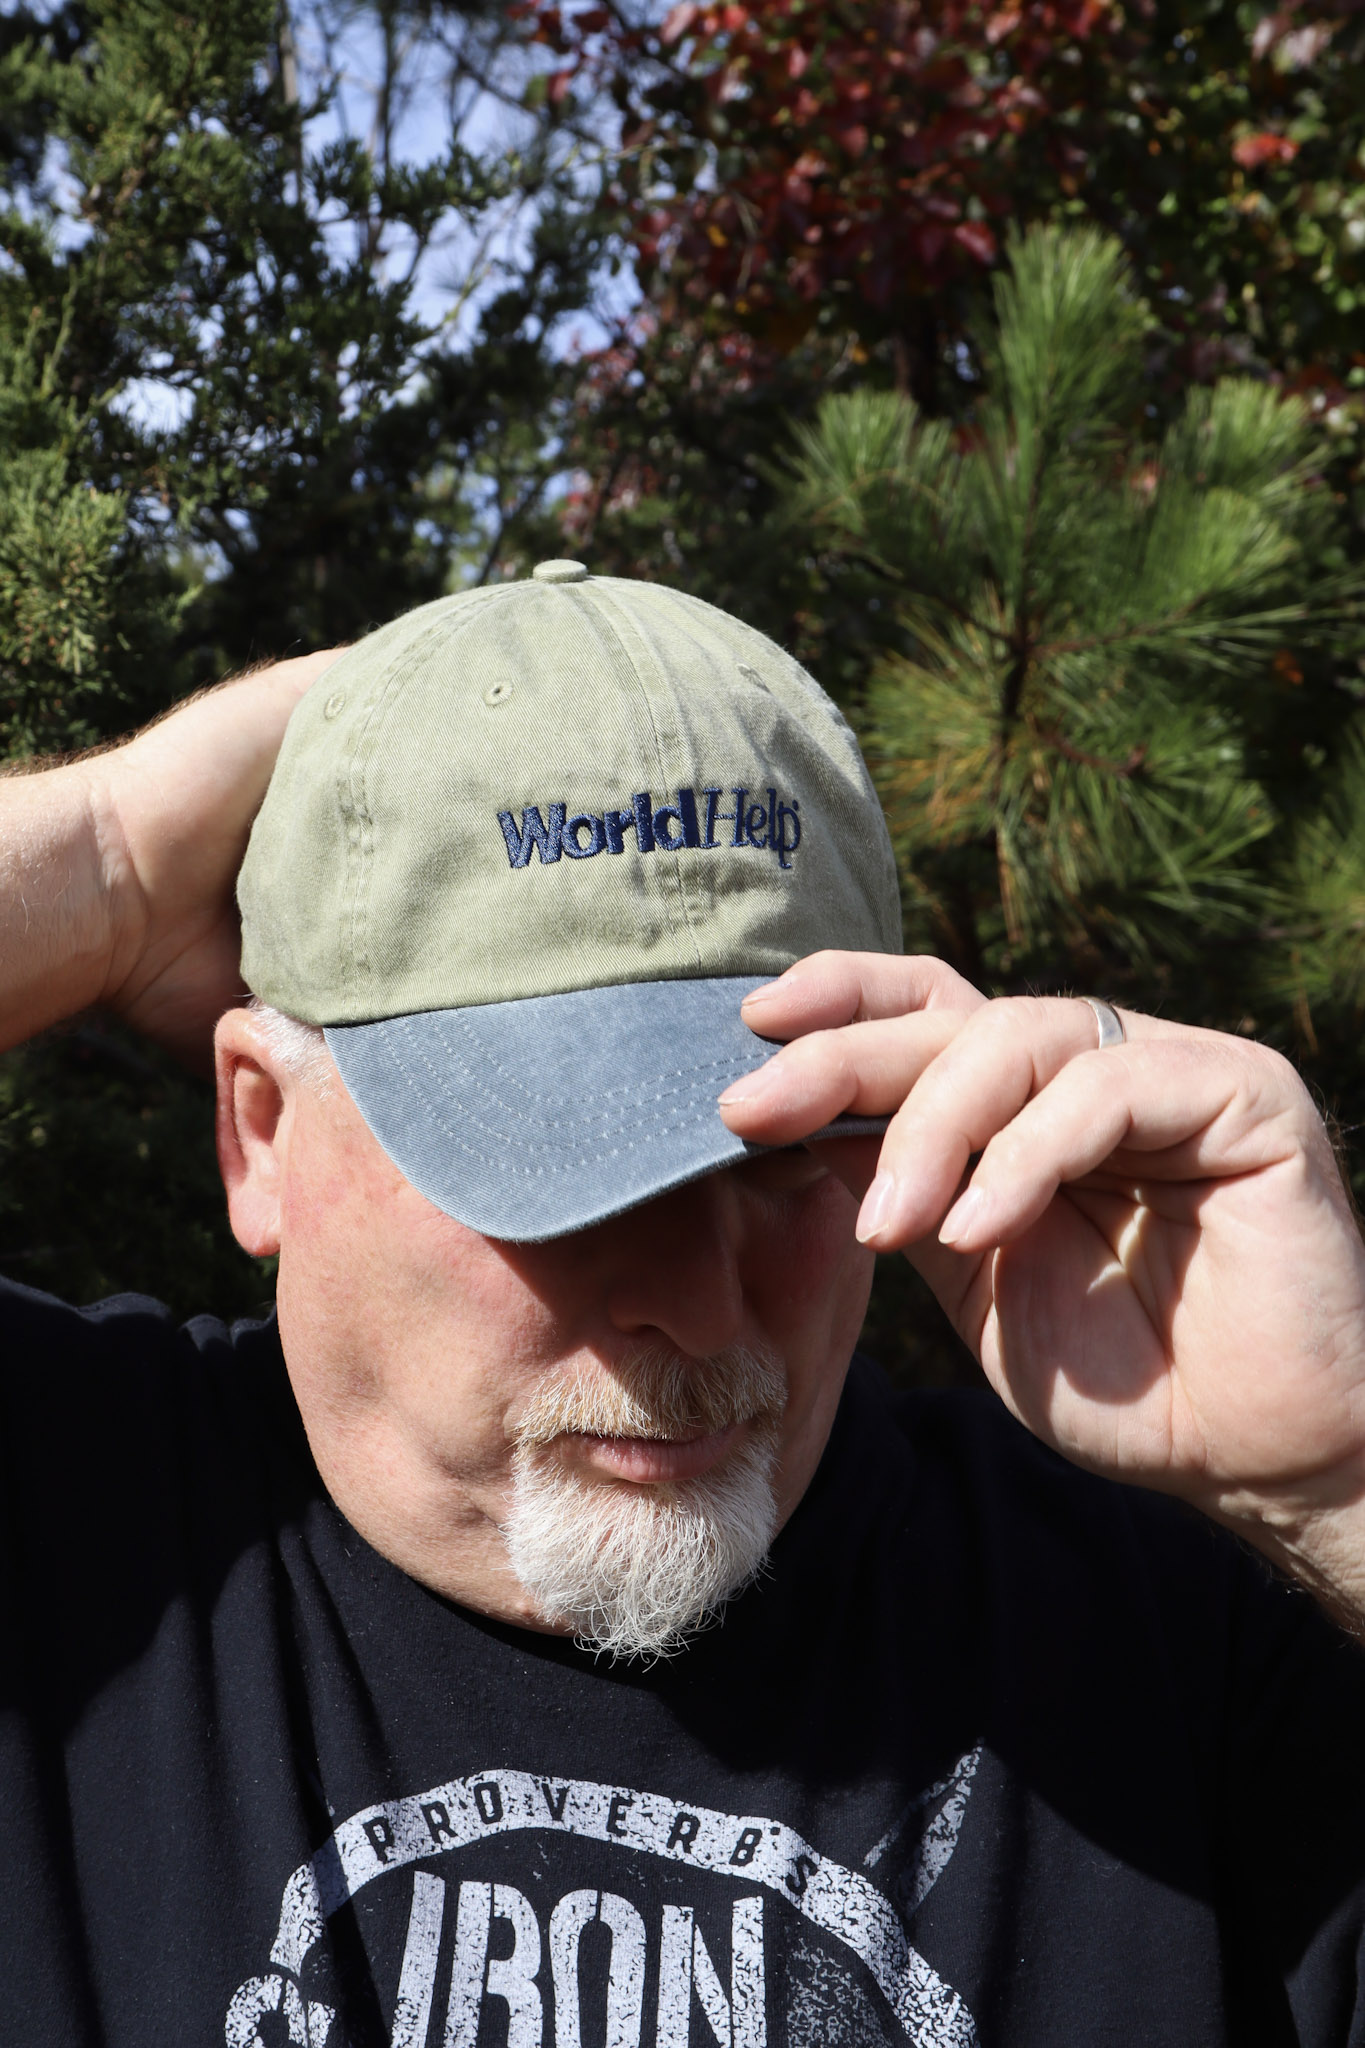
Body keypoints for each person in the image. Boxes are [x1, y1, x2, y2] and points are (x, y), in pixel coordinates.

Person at [3, 559, 1365, 2048]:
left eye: (790, 1151)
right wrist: (109, 860)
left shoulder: (1176, 1632)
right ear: (263, 1134)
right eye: (557, 1165)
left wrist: (1336, 1484)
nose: (702, 1308)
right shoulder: (71, 1532)